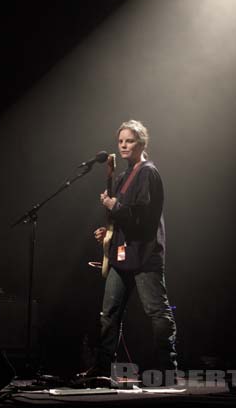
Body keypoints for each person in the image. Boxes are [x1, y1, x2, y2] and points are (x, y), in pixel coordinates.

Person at [89, 119, 177, 383]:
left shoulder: (148, 172)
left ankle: (168, 369)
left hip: (145, 254)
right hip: (122, 254)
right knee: (109, 314)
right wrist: (109, 233)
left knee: (157, 312)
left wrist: (114, 205)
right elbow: (125, 220)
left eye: (129, 140)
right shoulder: (124, 175)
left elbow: (144, 216)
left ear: (141, 143)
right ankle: (103, 369)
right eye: (121, 141)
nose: (124, 145)